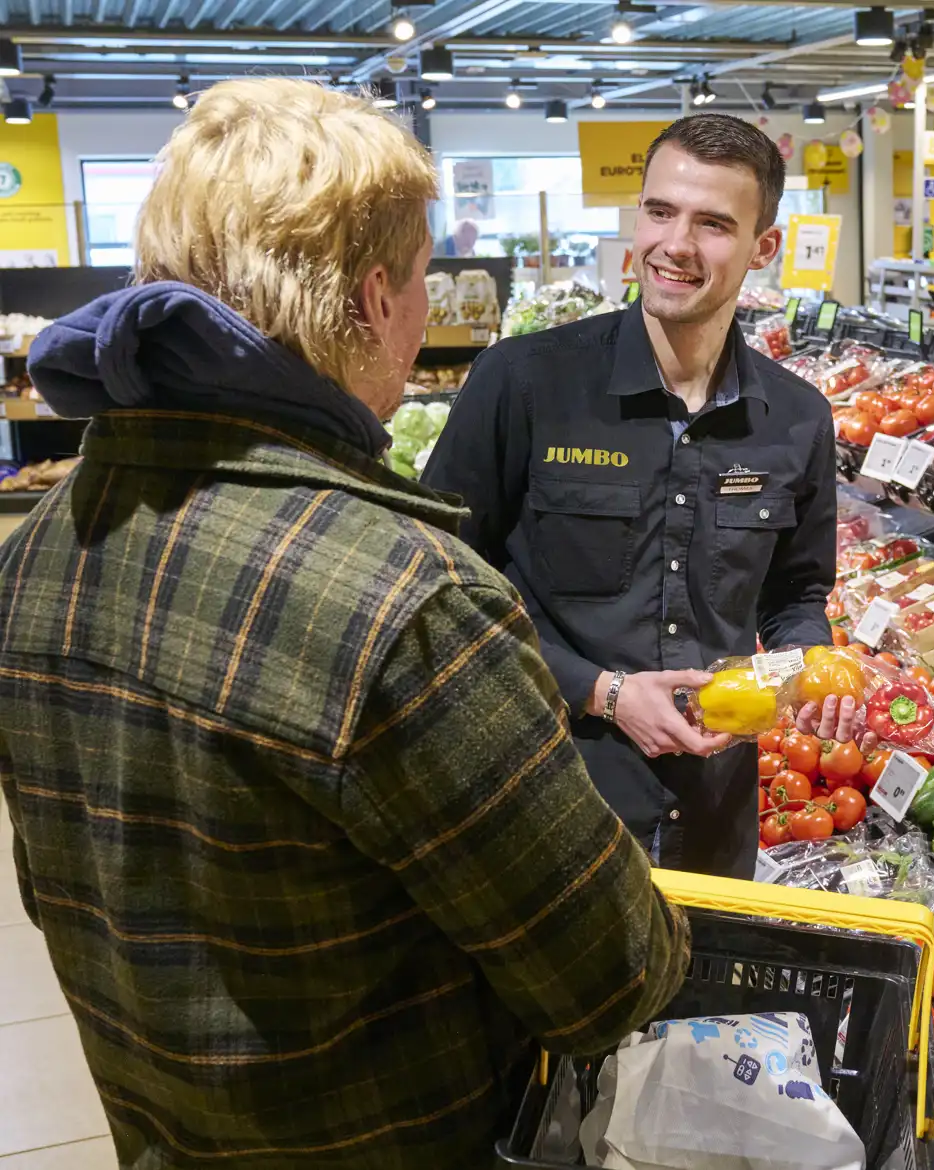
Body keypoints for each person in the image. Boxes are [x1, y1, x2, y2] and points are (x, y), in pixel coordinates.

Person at [0, 78, 687, 1168]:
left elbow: (57, 892)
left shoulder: (41, 543)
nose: (424, 312)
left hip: (160, 1128)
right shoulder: (407, 604)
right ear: (374, 300)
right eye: (422, 279)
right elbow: (609, 975)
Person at [422, 114, 841, 879]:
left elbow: (797, 591)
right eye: (659, 212)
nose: (674, 246)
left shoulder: (799, 418)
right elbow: (440, 585)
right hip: (544, 804)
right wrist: (603, 692)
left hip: (712, 823)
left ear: (764, 248)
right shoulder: (523, 384)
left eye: (713, 224)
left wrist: (811, 668)